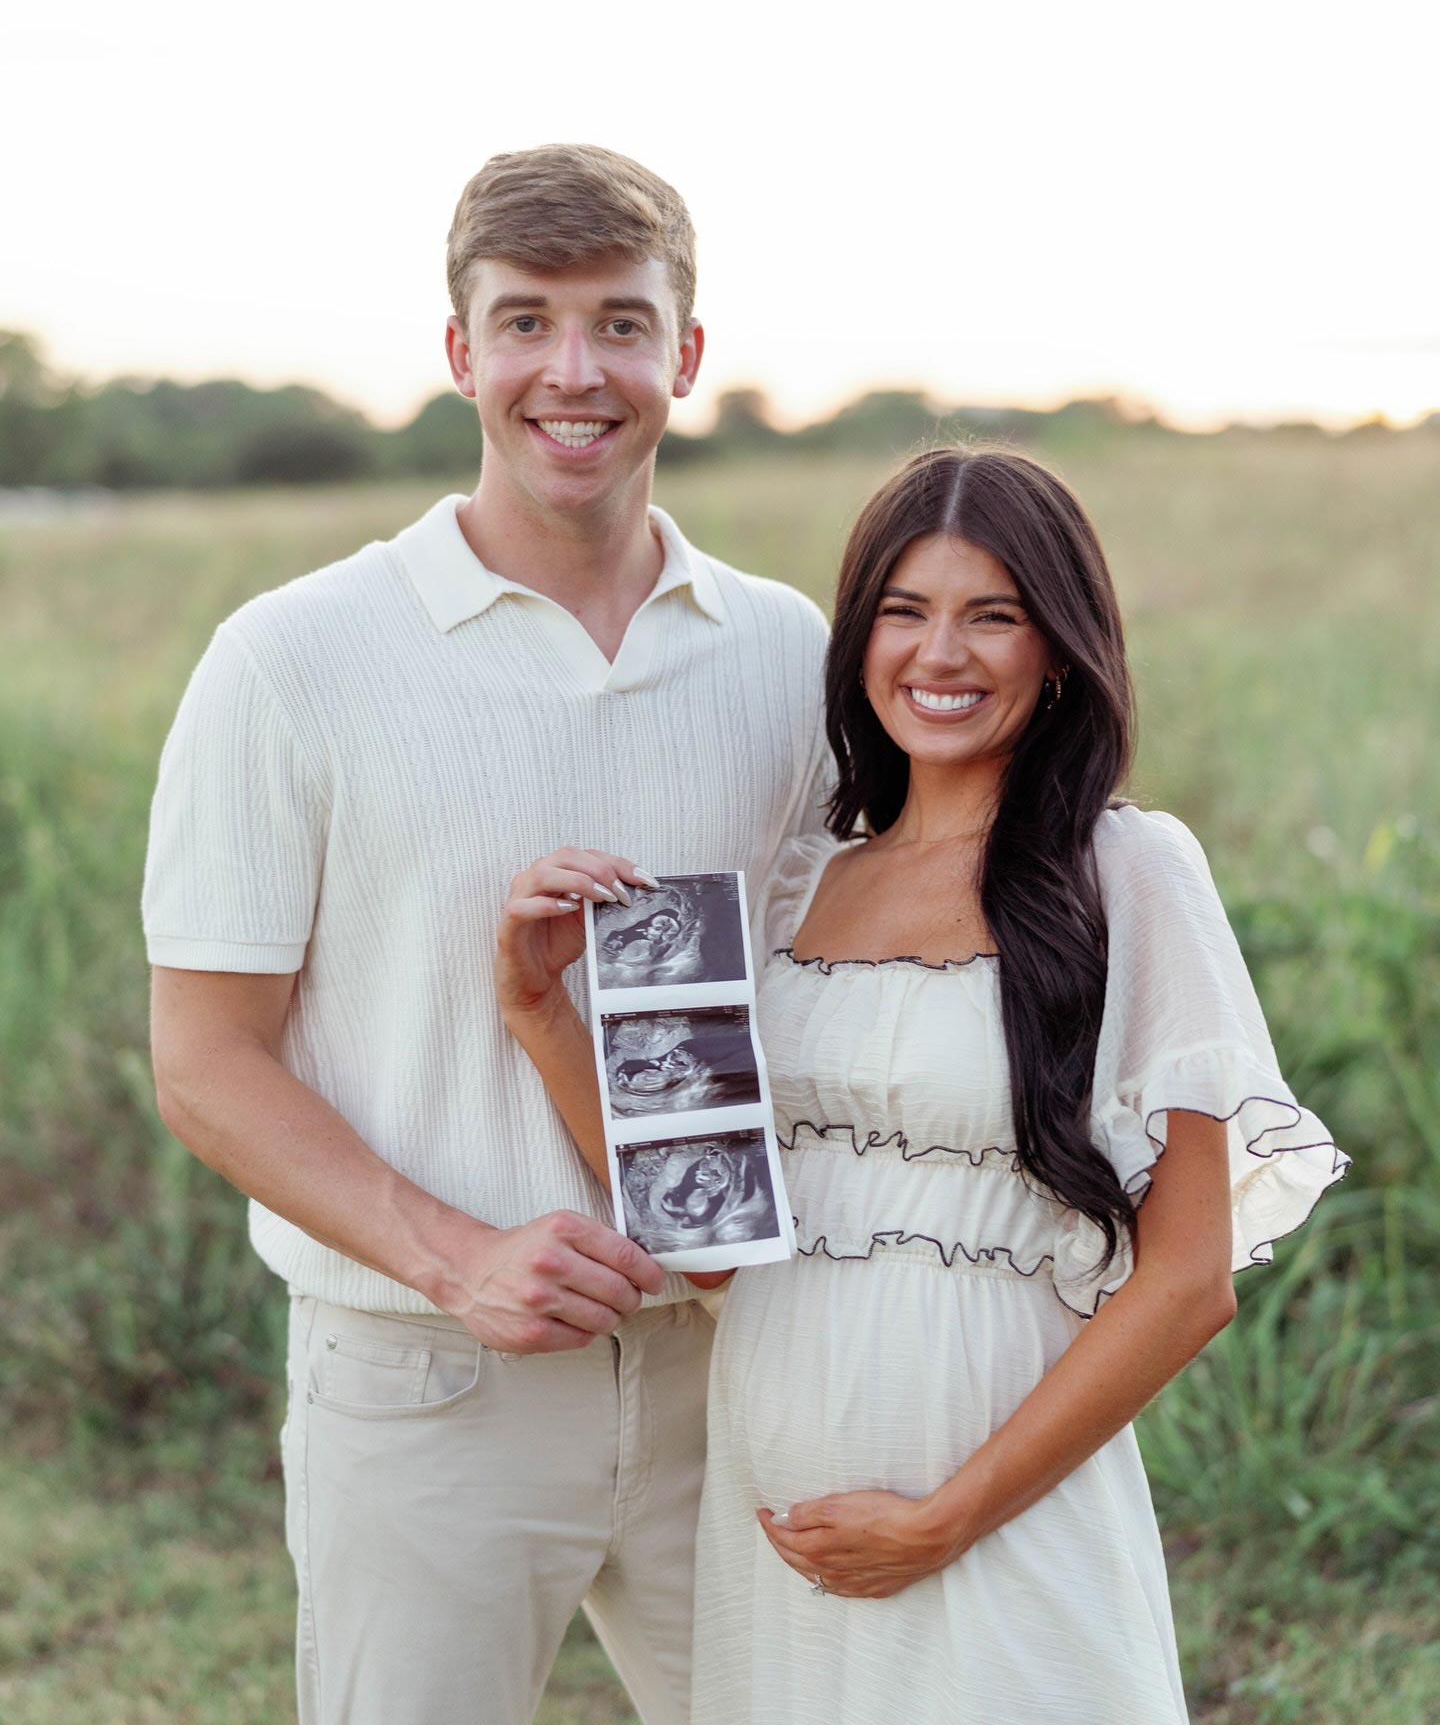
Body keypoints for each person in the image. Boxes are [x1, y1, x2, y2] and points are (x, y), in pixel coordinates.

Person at [495, 445, 1349, 1724]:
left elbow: (1187, 1284)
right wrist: (538, 1011)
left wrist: (946, 1519)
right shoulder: (794, 882)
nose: (940, 653)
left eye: (990, 615)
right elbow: (713, 1246)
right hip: (779, 1508)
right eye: (905, 610)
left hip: (998, 1508)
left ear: (1057, 648)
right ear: (860, 640)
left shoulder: (1126, 873)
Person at [142, 144, 830, 1725]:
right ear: (461, 353)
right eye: (525, 322)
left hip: (726, 1372)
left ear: (688, 356)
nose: (573, 373)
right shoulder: (291, 660)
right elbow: (204, 1062)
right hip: (423, 1377)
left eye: (620, 324)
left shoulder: (789, 653)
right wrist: (459, 1259)